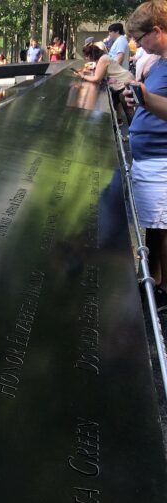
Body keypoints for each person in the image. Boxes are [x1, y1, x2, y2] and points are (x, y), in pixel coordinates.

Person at [123, 0, 167, 307]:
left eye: (141, 39)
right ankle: (156, 285)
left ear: (157, 31)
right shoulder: (160, 62)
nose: (138, 45)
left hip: (161, 164)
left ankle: (164, 296)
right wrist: (135, 99)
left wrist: (147, 99)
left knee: (164, 233)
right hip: (149, 161)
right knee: (155, 228)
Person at [75, 41, 134, 123]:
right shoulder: (102, 58)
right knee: (113, 106)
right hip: (121, 82)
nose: (86, 58)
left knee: (128, 110)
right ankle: (119, 126)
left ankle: (135, 133)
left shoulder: (103, 59)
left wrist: (83, 76)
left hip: (124, 83)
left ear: (91, 55)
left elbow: (97, 78)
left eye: (86, 56)